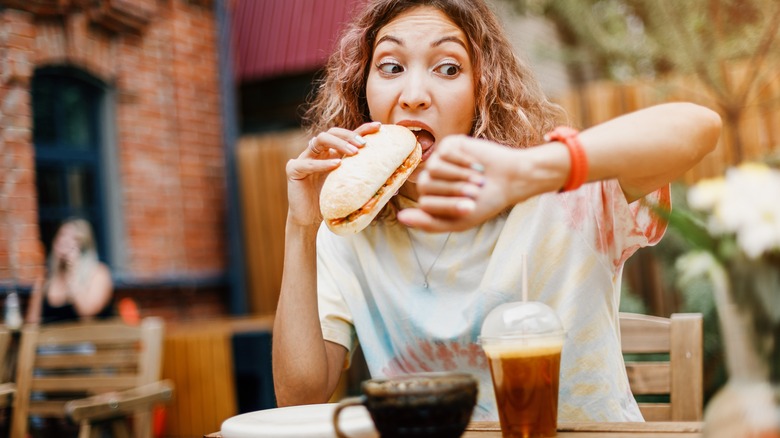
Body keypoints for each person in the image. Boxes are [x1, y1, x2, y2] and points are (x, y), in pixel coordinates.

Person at [273, 0, 721, 422]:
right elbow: (299, 398)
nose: (413, 95)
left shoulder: (560, 193)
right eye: (390, 67)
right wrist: (302, 226)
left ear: (483, 91)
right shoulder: (349, 229)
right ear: (362, 90)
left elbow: (699, 127)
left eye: (448, 68)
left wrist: (530, 171)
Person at [26, 218, 114, 324]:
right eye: (62, 235)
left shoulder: (98, 273)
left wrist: (73, 270)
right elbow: (31, 322)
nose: (64, 241)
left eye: (73, 239)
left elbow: (87, 314)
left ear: (83, 246)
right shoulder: (46, 277)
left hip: (86, 339)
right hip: (50, 339)